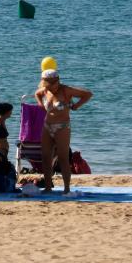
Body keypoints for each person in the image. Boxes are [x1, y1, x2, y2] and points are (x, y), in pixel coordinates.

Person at [35, 67, 93, 195]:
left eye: (55, 83)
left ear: (58, 81)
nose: (53, 87)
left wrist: (76, 106)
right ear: (45, 83)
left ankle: (67, 189)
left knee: (63, 158)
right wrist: (41, 105)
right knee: (45, 157)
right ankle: (48, 187)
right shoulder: (45, 91)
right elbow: (37, 94)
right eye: (50, 85)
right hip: (47, 126)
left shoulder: (66, 90)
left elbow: (88, 94)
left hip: (62, 127)